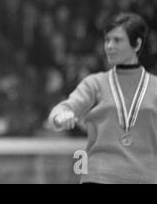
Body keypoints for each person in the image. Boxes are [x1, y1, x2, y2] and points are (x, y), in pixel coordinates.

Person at [48, 12, 157, 183]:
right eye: (107, 40)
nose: (109, 46)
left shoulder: (155, 87)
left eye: (117, 40)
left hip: (145, 177)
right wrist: (60, 116)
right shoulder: (95, 83)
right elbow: (64, 108)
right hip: (99, 176)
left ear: (137, 44)